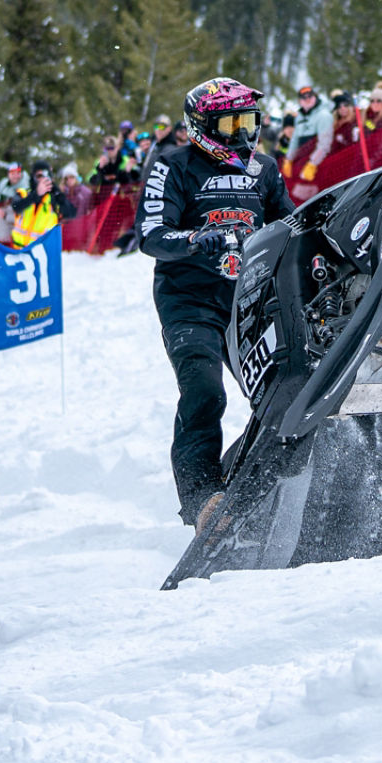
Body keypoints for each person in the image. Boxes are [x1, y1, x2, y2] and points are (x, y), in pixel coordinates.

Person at [137, 77, 293, 535]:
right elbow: (150, 234)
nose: (242, 134)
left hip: (247, 302)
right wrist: (193, 239)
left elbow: (292, 225)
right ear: (203, 125)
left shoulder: (263, 169)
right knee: (206, 392)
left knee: (284, 389)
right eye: (231, 123)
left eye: (249, 121)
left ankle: (255, 476)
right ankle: (202, 500)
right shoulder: (173, 166)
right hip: (189, 302)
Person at [10, 162, 74, 247]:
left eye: (45, 175)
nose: (42, 179)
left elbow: (70, 213)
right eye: (39, 176)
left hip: (39, 253)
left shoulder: (53, 198)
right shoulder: (23, 193)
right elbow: (16, 207)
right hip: (18, 249)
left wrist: (55, 189)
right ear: (33, 177)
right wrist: (36, 194)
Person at [285, 85, 333, 183]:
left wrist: (312, 164)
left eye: (310, 96)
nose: (307, 99)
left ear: (315, 97)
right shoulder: (299, 117)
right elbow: (295, 140)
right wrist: (288, 159)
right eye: (304, 97)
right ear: (300, 101)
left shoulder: (324, 115)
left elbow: (325, 144)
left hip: (319, 165)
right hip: (302, 163)